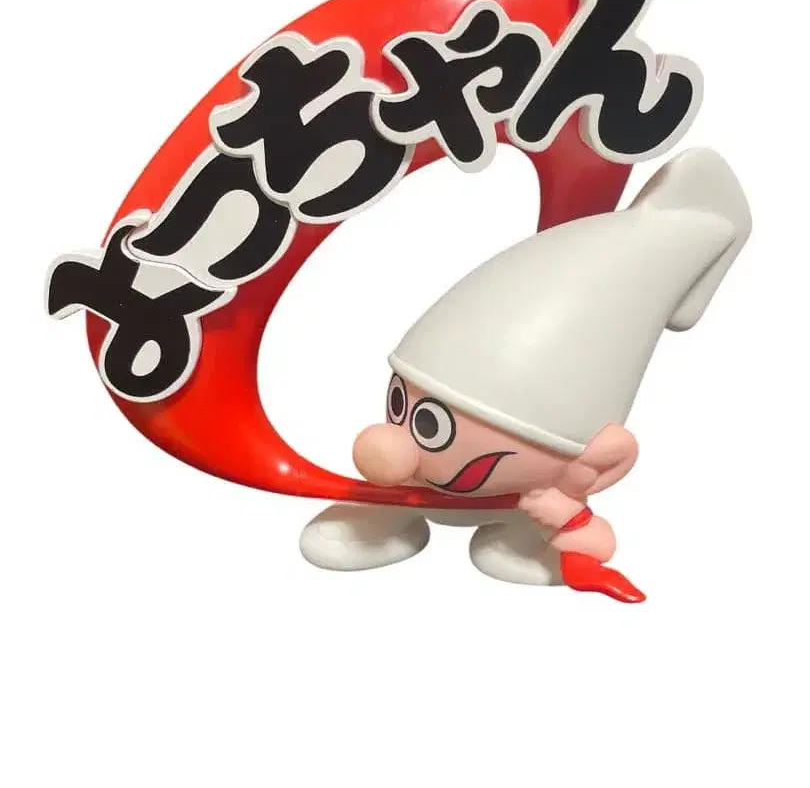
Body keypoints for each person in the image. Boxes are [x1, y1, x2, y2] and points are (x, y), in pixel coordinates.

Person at [299, 148, 752, 602]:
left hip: (521, 513)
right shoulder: (404, 472)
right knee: (368, 518)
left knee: (513, 545)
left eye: (428, 425)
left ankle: (516, 540)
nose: (389, 444)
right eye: (400, 405)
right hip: (409, 496)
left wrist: (566, 527)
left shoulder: (543, 493)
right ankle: (388, 521)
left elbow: (593, 540)